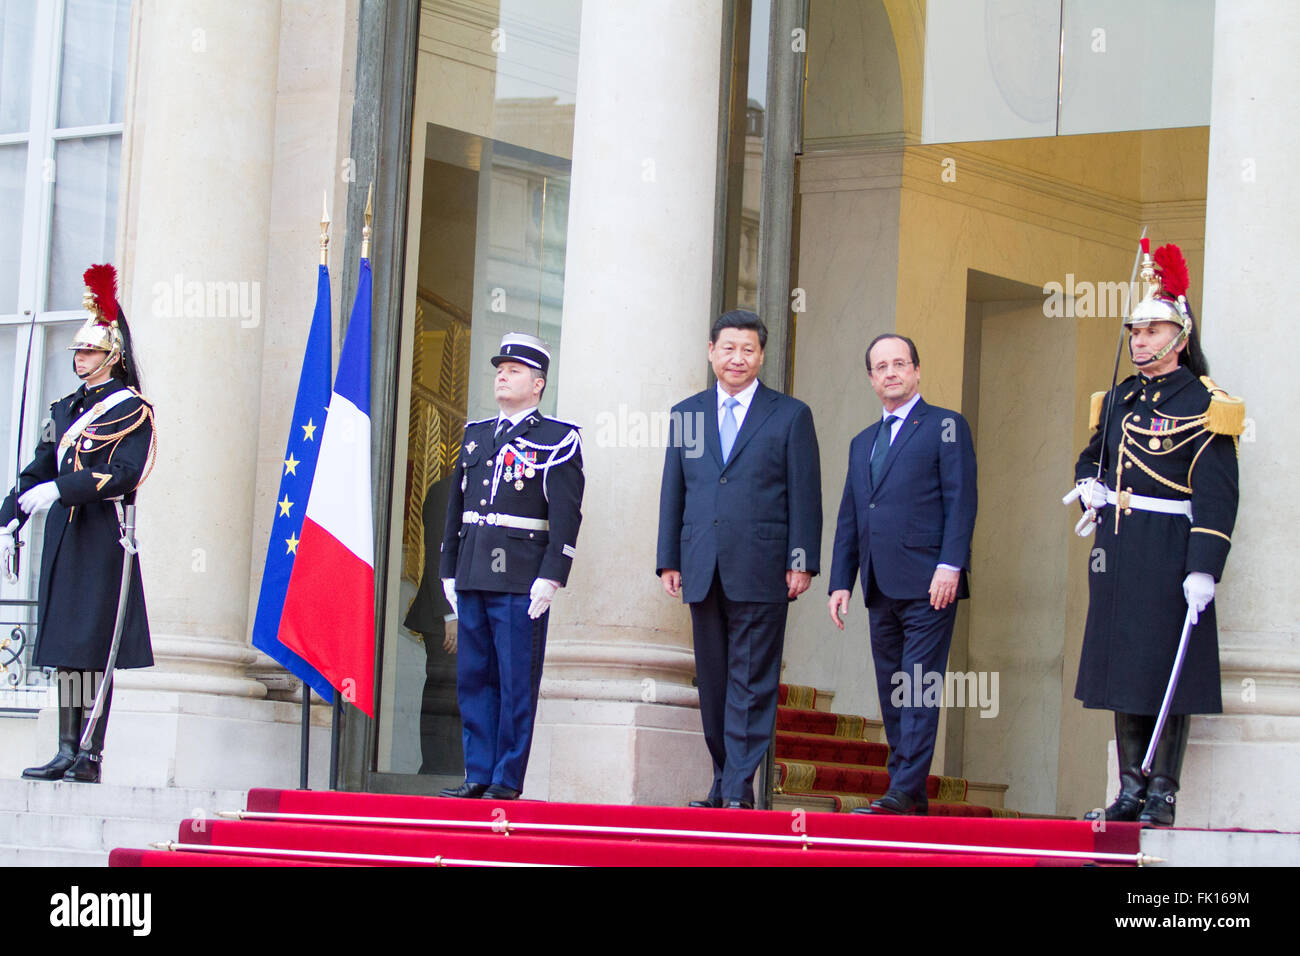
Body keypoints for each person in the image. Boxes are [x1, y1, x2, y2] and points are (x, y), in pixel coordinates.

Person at [1067, 241, 1242, 827]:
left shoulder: (1207, 403)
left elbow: (1217, 493)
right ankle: (1130, 784)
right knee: (1123, 669)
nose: (1138, 340)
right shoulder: (1117, 399)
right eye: (1134, 331)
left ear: (1180, 336)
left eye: (1151, 330)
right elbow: (1093, 459)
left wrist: (1204, 568)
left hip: (1169, 549)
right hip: (1118, 547)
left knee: (1168, 668)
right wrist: (1088, 485)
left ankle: (1163, 789)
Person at [657, 309, 822, 809]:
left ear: (762, 356)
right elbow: (675, 490)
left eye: (748, 349)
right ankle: (724, 780)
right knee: (713, 681)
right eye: (728, 348)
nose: (737, 358)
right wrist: (669, 558)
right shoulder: (686, 413)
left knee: (751, 681)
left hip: (764, 567)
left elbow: (805, 496)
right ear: (711, 352)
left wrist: (802, 561)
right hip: (702, 565)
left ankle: (735, 789)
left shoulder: (790, 414)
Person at [1, 263, 155, 784]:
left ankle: (90, 752)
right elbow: (39, 467)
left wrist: (63, 489)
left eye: (87, 350)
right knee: (68, 646)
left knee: (93, 645)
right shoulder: (65, 408)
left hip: (100, 536)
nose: (78, 357)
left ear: (111, 355)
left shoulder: (131, 409)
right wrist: (12, 513)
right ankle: (67, 744)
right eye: (76, 350)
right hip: (65, 535)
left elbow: (126, 472)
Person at [827, 333, 977, 815]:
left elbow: (962, 501)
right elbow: (851, 514)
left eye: (900, 364)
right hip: (878, 584)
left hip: (930, 582)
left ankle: (905, 786)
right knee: (893, 687)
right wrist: (839, 581)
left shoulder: (946, 426)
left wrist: (950, 565)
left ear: (916, 370)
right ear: (871, 379)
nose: (891, 372)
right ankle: (907, 790)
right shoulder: (861, 442)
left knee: (918, 685)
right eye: (881, 367)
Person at [436, 333, 583, 800]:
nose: (502, 374)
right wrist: (447, 567)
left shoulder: (557, 438)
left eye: (514, 370)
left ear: (538, 384)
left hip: (521, 578)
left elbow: (565, 513)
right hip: (475, 570)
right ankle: (477, 772)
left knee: (516, 680)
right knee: (473, 678)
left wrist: (552, 575)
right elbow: (456, 507)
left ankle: (505, 779)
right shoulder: (476, 433)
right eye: (500, 368)